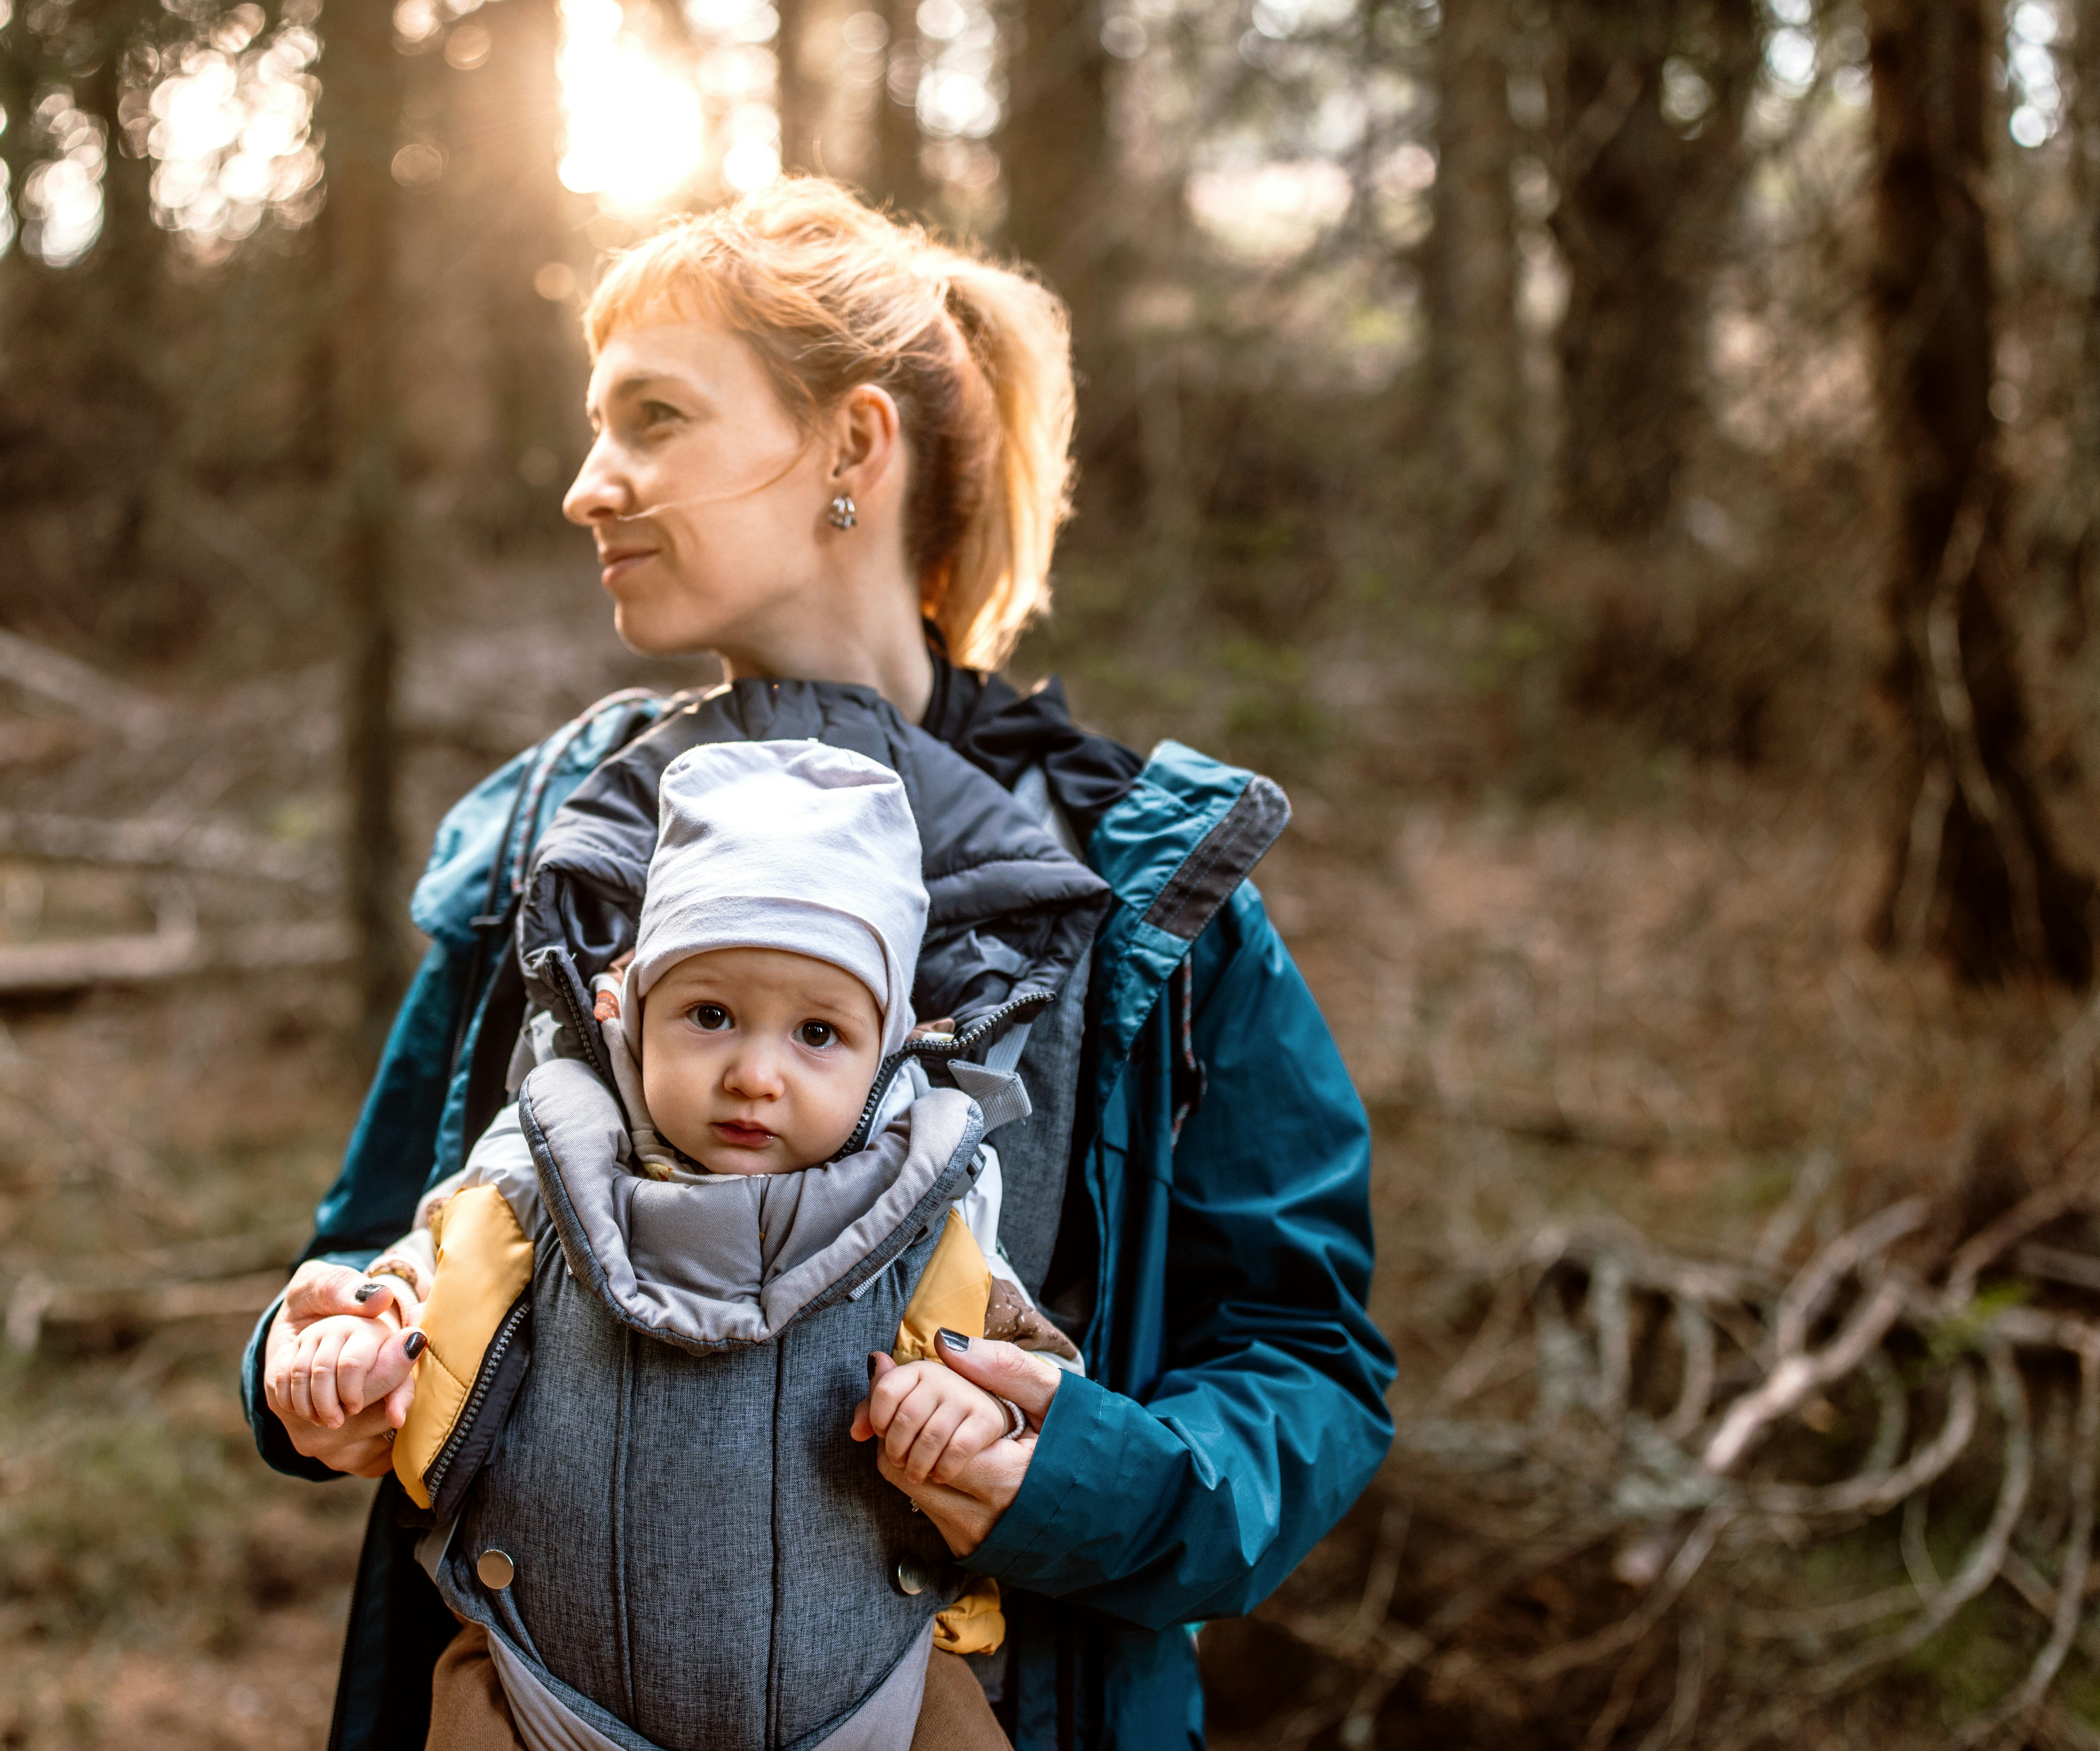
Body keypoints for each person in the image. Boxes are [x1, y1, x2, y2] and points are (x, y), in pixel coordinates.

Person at [243, 178, 1396, 1751]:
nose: (587, 485)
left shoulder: (1141, 888)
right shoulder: (548, 839)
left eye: (653, 417)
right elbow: (373, 1247)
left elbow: (1304, 1359)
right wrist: (316, 1363)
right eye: (593, 427)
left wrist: (1083, 1481)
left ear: (853, 447)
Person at [280, 734, 1104, 1749]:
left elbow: (1034, 1380)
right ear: (631, 1015)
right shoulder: (540, 1176)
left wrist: (976, 1412)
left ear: (891, 1050)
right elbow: (418, 1289)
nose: (756, 1075)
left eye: (817, 1034)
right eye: (710, 1015)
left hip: (875, 1705)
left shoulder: (925, 1212)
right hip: (540, 1699)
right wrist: (356, 1338)